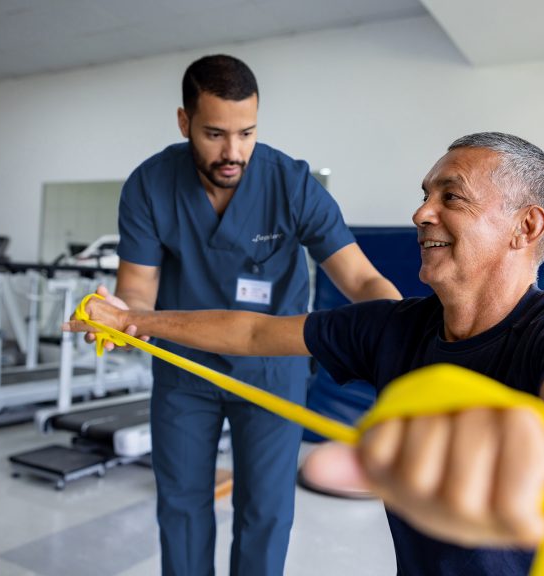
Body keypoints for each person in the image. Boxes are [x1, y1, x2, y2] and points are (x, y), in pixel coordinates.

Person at [67, 132, 544, 575]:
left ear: (525, 226)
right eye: (425, 194)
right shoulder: (392, 329)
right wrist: (133, 319)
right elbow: (251, 334)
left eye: (453, 196)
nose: (422, 212)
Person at [98, 54, 401, 576]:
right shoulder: (150, 185)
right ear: (183, 121)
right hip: (184, 370)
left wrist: (405, 331)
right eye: (214, 133)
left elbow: (359, 278)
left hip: (272, 369)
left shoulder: (292, 184)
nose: (233, 152)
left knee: (265, 513)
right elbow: (137, 290)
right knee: (181, 506)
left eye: (247, 133)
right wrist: (121, 318)